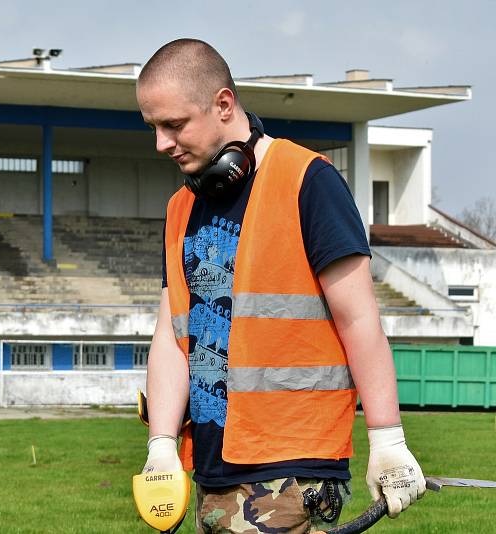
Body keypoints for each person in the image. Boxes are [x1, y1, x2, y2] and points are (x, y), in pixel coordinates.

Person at [137, 38, 426, 533]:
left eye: (174, 125)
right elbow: (171, 334)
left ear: (224, 104)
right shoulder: (180, 208)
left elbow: (359, 320)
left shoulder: (308, 181)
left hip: (292, 471)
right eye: (154, 127)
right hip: (213, 467)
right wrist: (161, 443)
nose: (162, 143)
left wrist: (388, 439)